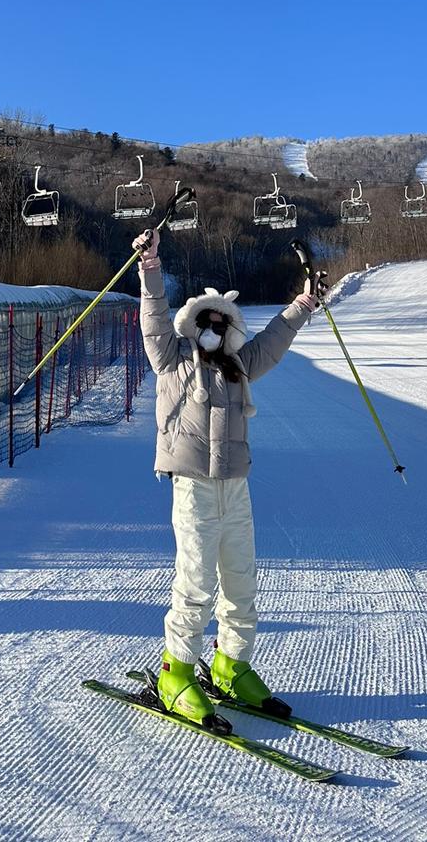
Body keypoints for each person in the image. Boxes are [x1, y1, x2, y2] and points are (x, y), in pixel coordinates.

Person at [132, 227, 327, 731]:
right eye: (206, 320)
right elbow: (153, 323)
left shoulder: (240, 366)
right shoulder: (173, 362)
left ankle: (230, 665)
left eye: (221, 321)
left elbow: (275, 341)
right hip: (192, 482)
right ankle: (176, 673)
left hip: (234, 484)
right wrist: (150, 269)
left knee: (240, 579)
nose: (214, 327)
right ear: (193, 325)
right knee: (196, 580)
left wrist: (303, 304)